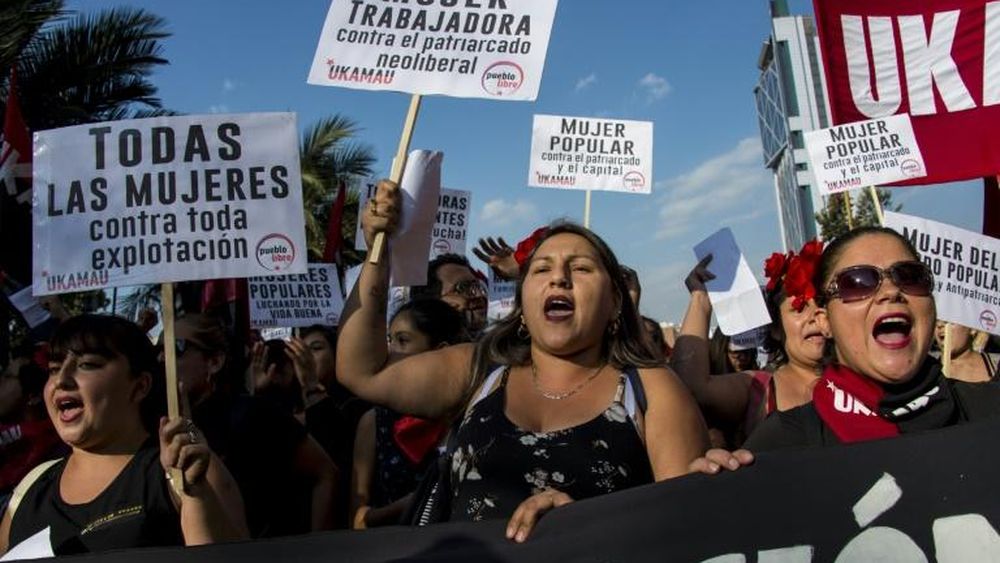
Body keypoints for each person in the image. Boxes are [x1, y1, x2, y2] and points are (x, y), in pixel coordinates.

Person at [339, 180, 707, 542]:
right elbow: (363, 371)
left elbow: (683, 533)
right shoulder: (478, 372)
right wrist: (379, 252)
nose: (559, 278)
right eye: (542, 269)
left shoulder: (650, 390)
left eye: (580, 269)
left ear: (613, 303)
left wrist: (583, 525)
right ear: (522, 305)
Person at [0, 314, 247, 556]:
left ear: (140, 385)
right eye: (53, 369)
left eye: (87, 365)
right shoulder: (29, 488)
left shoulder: (185, 469)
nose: (61, 380)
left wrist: (196, 495)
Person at [744, 227, 1000, 451]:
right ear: (825, 321)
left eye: (910, 276)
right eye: (857, 282)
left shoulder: (990, 410)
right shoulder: (782, 445)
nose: (890, 292)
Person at [171, 313, 339, 536]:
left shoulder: (251, 414)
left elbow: (325, 472)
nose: (165, 358)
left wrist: (320, 546)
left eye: (177, 348)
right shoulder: (152, 425)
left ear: (214, 362)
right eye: (160, 350)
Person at [672, 240, 826, 447]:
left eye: (823, 304)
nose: (815, 315)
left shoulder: (872, 375)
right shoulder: (758, 388)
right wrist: (700, 299)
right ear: (775, 329)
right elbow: (690, 388)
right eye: (799, 309)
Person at [351, 299, 469, 529]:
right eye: (389, 339)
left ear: (441, 352)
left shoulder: (476, 415)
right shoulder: (374, 422)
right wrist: (415, 503)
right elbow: (356, 519)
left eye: (403, 340)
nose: (390, 351)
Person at [410, 254, 488, 337]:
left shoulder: (490, 346)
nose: (479, 294)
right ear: (432, 302)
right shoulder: (413, 347)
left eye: (478, 286)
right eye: (463, 287)